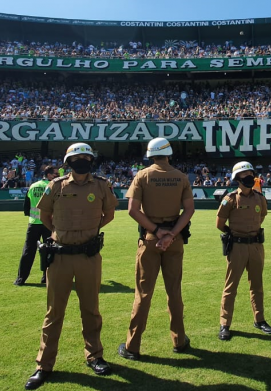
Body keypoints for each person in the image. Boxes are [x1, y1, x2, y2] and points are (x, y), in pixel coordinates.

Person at [25, 143, 117, 390]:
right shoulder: (56, 186)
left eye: (86, 157)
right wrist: (58, 232)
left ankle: (95, 356)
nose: (82, 161)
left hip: (88, 255)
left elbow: (109, 213)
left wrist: (91, 228)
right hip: (60, 256)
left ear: (92, 161)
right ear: (68, 162)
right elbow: (44, 215)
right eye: (77, 158)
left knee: (91, 309)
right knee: (54, 313)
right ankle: (44, 365)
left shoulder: (100, 185)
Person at [118, 137, 195, 360]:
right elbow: (189, 210)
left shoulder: (142, 175)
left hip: (151, 239)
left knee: (143, 294)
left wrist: (157, 230)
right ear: (169, 153)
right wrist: (171, 234)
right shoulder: (181, 177)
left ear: (150, 155)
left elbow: (133, 210)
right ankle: (179, 341)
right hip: (174, 240)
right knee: (174, 293)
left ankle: (132, 346)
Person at [216, 161, 271, 341]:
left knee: (257, 285)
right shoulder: (231, 199)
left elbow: (262, 216)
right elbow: (219, 224)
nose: (249, 176)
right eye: (245, 174)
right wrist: (234, 234)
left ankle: (260, 319)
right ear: (237, 178)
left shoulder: (259, 198)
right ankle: (225, 324)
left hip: (256, 246)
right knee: (231, 286)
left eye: (251, 173)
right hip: (237, 247)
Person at [15, 166, 57, 286]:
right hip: (48, 223)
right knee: (49, 251)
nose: (57, 175)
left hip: (33, 223)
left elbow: (26, 207)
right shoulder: (52, 186)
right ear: (49, 175)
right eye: (55, 174)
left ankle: (20, 278)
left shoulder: (33, 186)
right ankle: (46, 277)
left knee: (28, 251)